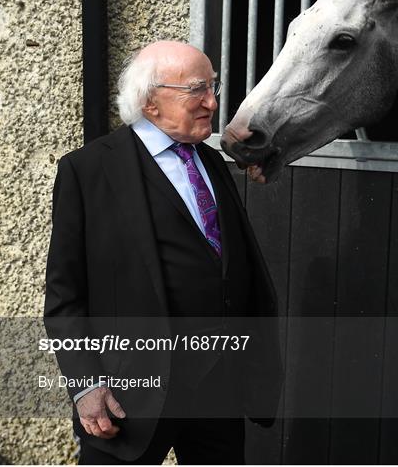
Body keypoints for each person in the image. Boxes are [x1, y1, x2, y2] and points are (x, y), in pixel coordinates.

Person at [44, 41, 282, 464]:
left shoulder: (212, 164)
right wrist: (86, 385)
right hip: (128, 396)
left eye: (213, 87)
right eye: (197, 90)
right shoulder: (88, 171)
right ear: (150, 101)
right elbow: (65, 298)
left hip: (219, 390)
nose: (212, 101)